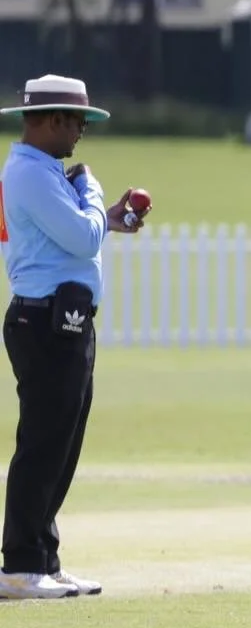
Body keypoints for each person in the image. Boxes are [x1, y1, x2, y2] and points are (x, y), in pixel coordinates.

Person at [0, 74, 150, 600]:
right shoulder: (31, 175)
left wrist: (105, 218)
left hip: (63, 318)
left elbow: (81, 233)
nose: (81, 132)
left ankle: (42, 558)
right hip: (42, 321)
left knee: (61, 443)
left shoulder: (44, 173)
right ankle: (19, 564)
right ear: (52, 120)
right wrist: (93, 192)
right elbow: (83, 235)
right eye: (78, 121)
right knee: (42, 443)